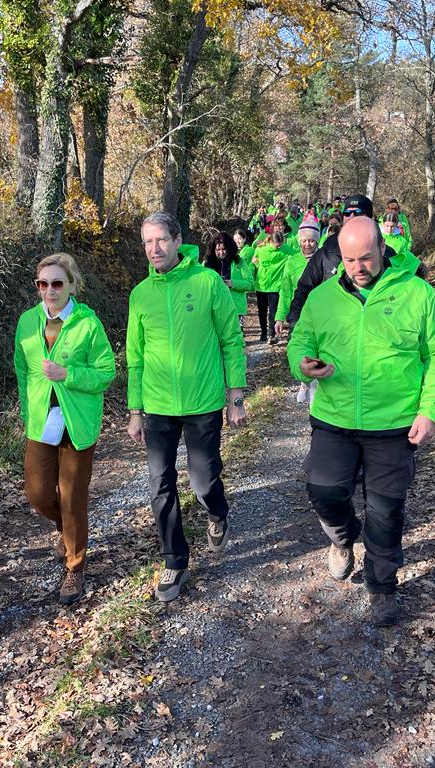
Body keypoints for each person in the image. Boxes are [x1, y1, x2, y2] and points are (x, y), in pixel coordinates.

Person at [287, 217, 435, 626]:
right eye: (349, 260)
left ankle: (381, 586)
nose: (358, 267)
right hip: (334, 417)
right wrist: (303, 365)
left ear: (383, 249)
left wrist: (430, 410)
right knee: (324, 490)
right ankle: (343, 539)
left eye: (366, 257)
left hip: (393, 425)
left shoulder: (416, 293)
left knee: (385, 510)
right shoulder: (323, 297)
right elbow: (300, 342)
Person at [126, 212, 248, 602]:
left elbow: (231, 339)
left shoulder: (207, 281)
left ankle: (217, 513)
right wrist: (135, 410)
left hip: (203, 401)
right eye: (147, 242)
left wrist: (236, 396)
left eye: (160, 240)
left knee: (203, 482)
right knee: (159, 485)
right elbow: (136, 357)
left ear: (178, 241)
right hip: (158, 405)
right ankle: (174, 562)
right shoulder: (141, 294)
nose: (154, 249)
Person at [14, 253, 115, 605]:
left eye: (57, 283)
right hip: (42, 421)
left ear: (72, 285)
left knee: (73, 497)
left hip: (77, 422)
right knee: (39, 494)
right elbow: (22, 372)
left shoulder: (88, 323)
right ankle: (68, 530)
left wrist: (68, 375)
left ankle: (75, 565)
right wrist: (29, 414)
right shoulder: (27, 322)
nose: (49, 291)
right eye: (43, 284)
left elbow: (106, 372)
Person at [285, 193, 410, 329]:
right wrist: (294, 324)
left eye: (357, 213)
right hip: (331, 329)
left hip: (374, 329)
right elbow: (304, 288)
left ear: (369, 217)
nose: (351, 217)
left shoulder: (385, 253)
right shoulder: (327, 251)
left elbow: (401, 293)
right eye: (347, 213)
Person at [276, 216, 320, 401]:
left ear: (317, 241)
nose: (307, 244)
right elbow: (285, 292)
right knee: (301, 344)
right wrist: (279, 317)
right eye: (304, 240)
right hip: (298, 311)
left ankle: (316, 384)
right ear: (299, 240)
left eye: (311, 240)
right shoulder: (292, 262)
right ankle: (304, 382)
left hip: (320, 310)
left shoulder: (323, 259)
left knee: (317, 345)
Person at [204, 232, 255, 317]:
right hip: (214, 308)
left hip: (235, 310)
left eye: (224, 249)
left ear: (229, 248)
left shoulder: (239, 262)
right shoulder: (207, 263)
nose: (221, 252)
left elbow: (250, 284)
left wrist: (232, 284)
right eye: (218, 250)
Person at [252, 226, 288, 344]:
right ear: (271, 242)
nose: (279, 247)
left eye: (281, 245)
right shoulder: (260, 249)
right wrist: (256, 264)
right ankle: (263, 333)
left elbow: (297, 255)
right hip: (261, 286)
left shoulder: (285, 250)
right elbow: (255, 261)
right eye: (277, 245)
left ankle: (271, 335)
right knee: (262, 312)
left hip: (275, 287)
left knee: (273, 312)